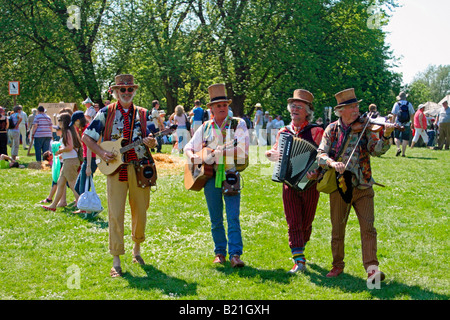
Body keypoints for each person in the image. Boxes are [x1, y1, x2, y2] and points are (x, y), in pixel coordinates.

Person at [82, 74, 157, 277]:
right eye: (122, 90)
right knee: (115, 214)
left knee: (141, 210)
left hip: (140, 168)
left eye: (129, 90)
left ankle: (137, 249)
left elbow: (152, 137)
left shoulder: (143, 114)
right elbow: (87, 137)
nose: (126, 93)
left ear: (134, 91)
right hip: (115, 169)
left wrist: (151, 142)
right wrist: (101, 152)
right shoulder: (105, 113)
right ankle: (116, 260)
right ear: (115, 92)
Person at [317, 88, 395, 282]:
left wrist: (386, 135)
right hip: (340, 186)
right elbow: (320, 154)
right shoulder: (332, 129)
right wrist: (332, 163)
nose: (356, 110)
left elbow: (377, 151)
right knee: (337, 229)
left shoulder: (366, 127)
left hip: (363, 186)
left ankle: (372, 270)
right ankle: (337, 265)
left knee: (368, 228)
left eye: (357, 106)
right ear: (340, 110)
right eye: (352, 107)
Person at [184, 83, 249, 268]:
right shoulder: (205, 127)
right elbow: (188, 147)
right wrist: (195, 156)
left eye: (225, 105)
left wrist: (225, 153)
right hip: (209, 176)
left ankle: (235, 254)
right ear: (211, 109)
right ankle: (219, 252)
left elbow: (243, 149)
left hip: (230, 175)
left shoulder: (238, 124)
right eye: (218, 105)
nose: (222, 108)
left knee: (233, 216)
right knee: (215, 218)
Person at [265, 89, 324, 273]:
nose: (295, 109)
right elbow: (275, 151)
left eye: (300, 106)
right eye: (293, 106)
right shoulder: (284, 132)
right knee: (293, 221)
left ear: (308, 111)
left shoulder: (316, 131)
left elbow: (324, 156)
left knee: (306, 222)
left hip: (310, 184)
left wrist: (317, 171)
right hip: (288, 183)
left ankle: (301, 249)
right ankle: (299, 260)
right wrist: (271, 155)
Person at [41, 113, 82, 212]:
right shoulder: (68, 131)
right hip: (68, 160)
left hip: (70, 161)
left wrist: (60, 151)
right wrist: (61, 153)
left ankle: (82, 205)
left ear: (63, 121)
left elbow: (70, 147)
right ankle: (53, 205)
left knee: (72, 184)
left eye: (59, 120)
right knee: (60, 183)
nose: (58, 123)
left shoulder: (67, 131)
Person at [72, 111, 98, 214]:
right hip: (87, 159)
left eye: (75, 122)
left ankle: (86, 209)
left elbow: (90, 147)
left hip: (90, 159)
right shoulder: (84, 128)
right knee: (78, 187)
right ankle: (86, 208)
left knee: (84, 187)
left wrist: (88, 166)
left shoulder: (87, 129)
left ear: (78, 120)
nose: (74, 125)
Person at [391, 91, 415, 157]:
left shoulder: (396, 104)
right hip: (406, 123)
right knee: (405, 138)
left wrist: (392, 123)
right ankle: (403, 153)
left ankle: (398, 148)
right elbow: (412, 114)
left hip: (398, 123)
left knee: (396, 137)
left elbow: (394, 115)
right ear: (405, 97)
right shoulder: (409, 104)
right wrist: (412, 123)